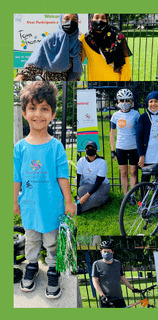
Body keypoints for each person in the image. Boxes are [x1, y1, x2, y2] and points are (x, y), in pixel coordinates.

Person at [13, 82, 76, 298]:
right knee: (31, 240)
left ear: (52, 114)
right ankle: (31, 266)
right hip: (29, 206)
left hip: (52, 206)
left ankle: (51, 270)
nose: (38, 114)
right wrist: (13, 201)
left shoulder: (56, 146)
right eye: (32, 108)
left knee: (51, 241)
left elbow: (62, 176)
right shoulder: (19, 147)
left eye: (44, 109)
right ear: (24, 113)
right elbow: (16, 177)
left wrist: (69, 201)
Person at [14, 14, 82, 81]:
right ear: (61, 21)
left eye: (74, 19)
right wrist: (21, 76)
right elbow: (33, 65)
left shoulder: (77, 46)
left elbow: (75, 72)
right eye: (66, 19)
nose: (70, 22)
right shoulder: (49, 41)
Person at [80, 14, 132, 81]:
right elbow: (78, 60)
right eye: (96, 17)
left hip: (115, 80)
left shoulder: (117, 36)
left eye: (103, 18)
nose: (99, 20)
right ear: (91, 19)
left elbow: (126, 62)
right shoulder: (85, 39)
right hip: (95, 80)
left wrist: (126, 80)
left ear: (107, 20)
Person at [110, 89, 140, 204]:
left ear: (131, 102)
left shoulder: (136, 114)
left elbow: (139, 131)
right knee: (123, 173)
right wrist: (112, 150)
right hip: (121, 147)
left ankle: (132, 195)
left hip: (133, 147)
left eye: (127, 100)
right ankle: (125, 194)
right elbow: (112, 133)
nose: (124, 102)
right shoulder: (115, 115)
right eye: (122, 100)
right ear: (118, 101)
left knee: (133, 172)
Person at [92, 240, 138, 308]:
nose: (107, 253)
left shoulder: (117, 263)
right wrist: (102, 295)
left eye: (108, 251)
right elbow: (95, 281)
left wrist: (132, 288)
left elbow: (122, 278)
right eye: (105, 251)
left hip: (118, 297)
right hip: (106, 298)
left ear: (112, 252)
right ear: (101, 252)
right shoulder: (97, 264)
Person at [77, 141, 111, 214]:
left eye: (92, 148)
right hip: (88, 185)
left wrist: (85, 197)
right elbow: (78, 178)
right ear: (85, 150)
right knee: (80, 190)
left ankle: (79, 208)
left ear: (96, 150)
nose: (90, 149)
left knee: (93, 198)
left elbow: (98, 183)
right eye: (88, 148)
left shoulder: (102, 163)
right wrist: (77, 194)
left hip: (102, 185)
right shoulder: (81, 161)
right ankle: (80, 204)